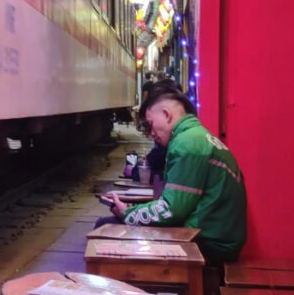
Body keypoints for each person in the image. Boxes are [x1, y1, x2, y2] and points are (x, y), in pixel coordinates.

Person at [101, 83, 247, 265]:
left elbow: (171, 210)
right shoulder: (197, 136)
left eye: (150, 125)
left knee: (105, 227)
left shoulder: (187, 144)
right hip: (217, 236)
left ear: (166, 114)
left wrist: (127, 213)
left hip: (209, 243)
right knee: (111, 225)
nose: (151, 133)